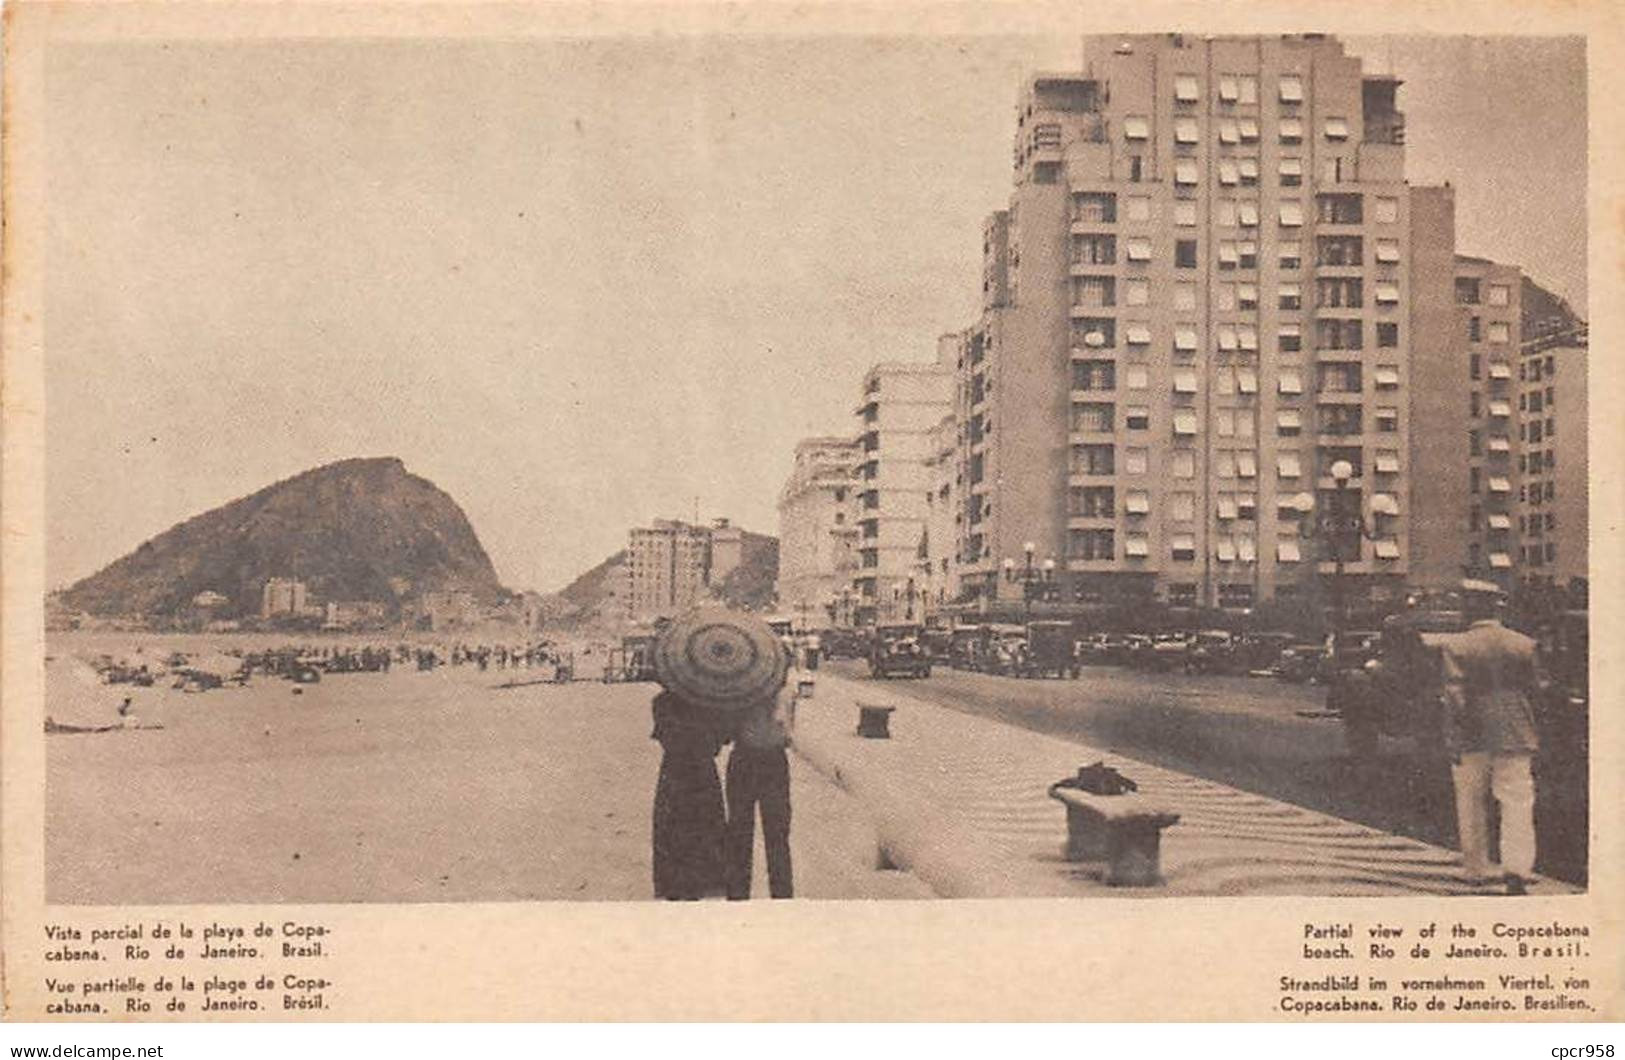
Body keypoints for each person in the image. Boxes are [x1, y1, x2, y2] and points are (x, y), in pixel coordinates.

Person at [1435, 581, 1548, 894]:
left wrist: (1452, 736)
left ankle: (1476, 867)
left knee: (1471, 800)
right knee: (1517, 799)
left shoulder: (1456, 646)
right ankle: (1517, 868)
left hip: (1472, 731)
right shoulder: (1524, 644)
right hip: (1516, 729)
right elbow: (1538, 690)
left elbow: (1454, 695)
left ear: (1469, 608)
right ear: (1497, 607)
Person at [650, 691, 729, 900]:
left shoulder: (662, 702)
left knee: (673, 827)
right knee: (705, 826)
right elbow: (717, 746)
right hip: (703, 773)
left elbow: (666, 740)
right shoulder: (710, 704)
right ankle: (704, 882)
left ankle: (674, 885)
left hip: (674, 774)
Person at [723, 680, 796, 900]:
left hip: (743, 759)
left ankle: (738, 896)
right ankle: (782, 897)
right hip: (774, 762)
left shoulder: (739, 691)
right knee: (778, 835)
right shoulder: (787, 691)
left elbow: (726, 735)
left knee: (739, 832)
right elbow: (788, 732)